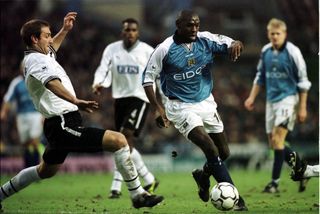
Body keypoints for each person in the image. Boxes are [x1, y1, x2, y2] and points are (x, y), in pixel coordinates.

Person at [0, 12, 163, 210]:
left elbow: (52, 48)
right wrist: (75, 100)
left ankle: (1, 194)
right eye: (47, 35)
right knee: (119, 141)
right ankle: (138, 195)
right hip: (62, 123)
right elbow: (52, 83)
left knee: (45, 171)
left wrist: (64, 30)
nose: (51, 39)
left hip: (60, 123)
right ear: (34, 39)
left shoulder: (40, 56)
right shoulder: (36, 60)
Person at [142, 10, 247, 211]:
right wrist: (158, 109)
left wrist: (236, 45)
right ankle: (235, 198)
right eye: (190, 25)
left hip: (206, 102)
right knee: (209, 147)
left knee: (224, 152)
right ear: (178, 25)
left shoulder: (206, 39)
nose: (194, 29)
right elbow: (148, 79)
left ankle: (203, 175)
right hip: (180, 106)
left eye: (197, 25)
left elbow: (234, 42)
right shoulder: (164, 49)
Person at [92, 18, 159, 199]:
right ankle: (149, 178)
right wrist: (98, 83)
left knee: (123, 137)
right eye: (127, 30)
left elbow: (157, 74)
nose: (130, 33)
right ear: (122, 32)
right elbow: (103, 68)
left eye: (133, 30)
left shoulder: (147, 51)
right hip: (120, 99)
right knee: (125, 143)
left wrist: (160, 102)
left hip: (140, 98)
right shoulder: (112, 49)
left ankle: (116, 186)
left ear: (138, 32)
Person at [244, 18, 312, 193]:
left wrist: (302, 107)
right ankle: (302, 169)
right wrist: (251, 97)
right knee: (274, 144)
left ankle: (274, 183)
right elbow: (260, 76)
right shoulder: (265, 51)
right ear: (268, 34)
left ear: (284, 34)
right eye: (272, 33)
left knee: (277, 139)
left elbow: (303, 81)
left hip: (288, 100)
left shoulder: (293, 52)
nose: (275, 36)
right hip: (271, 101)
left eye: (278, 34)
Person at [1, 63, 44, 168]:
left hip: (36, 114)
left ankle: (38, 167)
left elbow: (44, 98)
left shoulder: (37, 81)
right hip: (22, 116)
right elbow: (8, 99)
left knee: (34, 141)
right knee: (25, 143)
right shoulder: (16, 83)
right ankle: (27, 168)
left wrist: (45, 114)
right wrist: (4, 112)